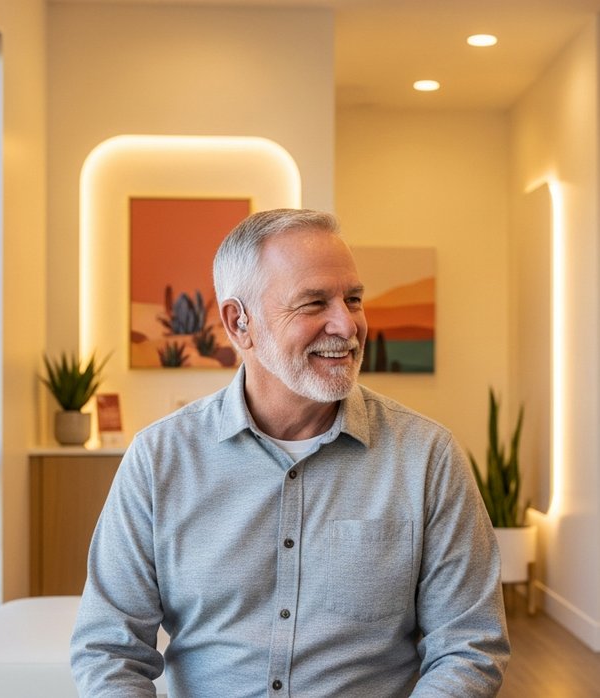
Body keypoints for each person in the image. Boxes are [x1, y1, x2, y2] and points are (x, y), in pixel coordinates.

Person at [71, 208, 509, 697]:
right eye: (314, 303)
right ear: (240, 323)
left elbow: (469, 646)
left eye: (354, 299)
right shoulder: (159, 459)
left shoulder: (428, 458)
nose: (347, 324)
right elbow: (109, 650)